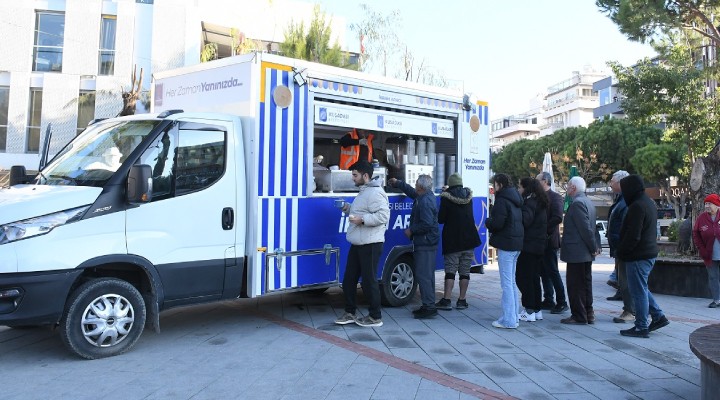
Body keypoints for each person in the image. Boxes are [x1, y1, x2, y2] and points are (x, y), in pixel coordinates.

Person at [334, 160, 390, 328]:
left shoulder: (375, 193)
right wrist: (346, 208)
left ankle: (375, 316)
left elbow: (383, 216)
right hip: (359, 242)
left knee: (368, 281)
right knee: (348, 280)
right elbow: (360, 211)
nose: (353, 178)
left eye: (355, 175)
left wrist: (362, 220)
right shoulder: (364, 191)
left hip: (371, 243)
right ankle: (350, 313)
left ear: (365, 176)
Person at [617, 174, 669, 338]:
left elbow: (633, 235)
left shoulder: (637, 206)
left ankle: (641, 326)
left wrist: (622, 251)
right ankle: (658, 316)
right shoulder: (648, 203)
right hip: (647, 253)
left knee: (638, 291)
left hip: (638, 255)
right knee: (642, 288)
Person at [388, 175, 440, 319]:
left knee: (424, 275)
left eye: (416, 182)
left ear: (421, 187)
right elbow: (411, 192)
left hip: (425, 242)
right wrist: (398, 183)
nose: (415, 184)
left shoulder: (425, 202)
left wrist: (412, 230)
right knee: (427, 275)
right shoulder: (424, 196)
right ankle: (428, 305)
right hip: (428, 242)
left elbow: (427, 224)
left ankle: (429, 307)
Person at [434, 173, 481, 311]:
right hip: (469, 239)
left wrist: (445, 193)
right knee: (465, 271)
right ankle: (462, 300)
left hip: (453, 240)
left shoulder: (446, 198)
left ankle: (447, 300)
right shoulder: (468, 197)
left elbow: (441, 219)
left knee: (450, 270)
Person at [560, 176, 601, 325]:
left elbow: (585, 228)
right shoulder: (589, 202)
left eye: (568, 186)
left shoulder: (577, 204)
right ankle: (588, 313)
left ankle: (579, 315)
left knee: (575, 285)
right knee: (585, 284)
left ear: (574, 188)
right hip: (584, 253)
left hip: (577, 252)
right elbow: (592, 228)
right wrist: (595, 247)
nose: (567, 188)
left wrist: (593, 246)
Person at [485, 173, 523, 329]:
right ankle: (513, 316)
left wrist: (488, 221)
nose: (494, 187)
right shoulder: (516, 199)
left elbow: (498, 224)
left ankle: (509, 320)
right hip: (516, 244)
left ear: (499, 184)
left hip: (506, 245)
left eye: (495, 184)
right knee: (511, 282)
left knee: (506, 284)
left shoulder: (502, 200)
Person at [535, 172, 569, 314]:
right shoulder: (538, 197)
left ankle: (562, 301)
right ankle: (548, 299)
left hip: (549, 240)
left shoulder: (555, 197)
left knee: (553, 271)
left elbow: (557, 217)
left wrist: (543, 229)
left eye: (538, 181)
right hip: (539, 241)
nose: (536, 183)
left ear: (546, 181)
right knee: (543, 272)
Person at [517, 177, 549, 322]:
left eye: (520, 187)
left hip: (529, 245)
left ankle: (529, 309)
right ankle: (536, 309)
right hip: (539, 245)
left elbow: (525, 220)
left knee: (524, 277)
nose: (519, 190)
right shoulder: (541, 202)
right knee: (534, 278)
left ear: (526, 188)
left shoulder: (530, 202)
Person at [606, 170, 635, 323]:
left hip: (623, 248)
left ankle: (631, 310)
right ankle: (630, 309)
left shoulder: (626, 201)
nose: (610, 183)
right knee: (623, 281)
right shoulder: (621, 199)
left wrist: (621, 246)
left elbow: (625, 227)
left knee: (626, 282)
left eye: (612, 180)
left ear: (620, 183)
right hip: (619, 248)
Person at [692, 193, 720, 308]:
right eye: (706, 204)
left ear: (717, 205)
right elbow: (696, 233)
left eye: (710, 203)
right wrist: (701, 248)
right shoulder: (702, 217)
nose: (707, 206)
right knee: (713, 277)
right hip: (709, 254)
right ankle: (717, 300)